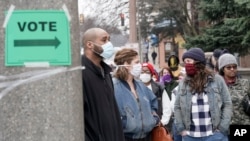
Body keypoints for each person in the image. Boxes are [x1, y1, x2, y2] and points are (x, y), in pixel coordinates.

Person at [174, 48, 232, 141]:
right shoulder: (183, 83)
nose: (186, 65)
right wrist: (181, 129)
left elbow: (227, 103)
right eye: (185, 62)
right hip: (190, 136)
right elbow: (177, 107)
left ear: (198, 62)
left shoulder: (217, 80)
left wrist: (223, 127)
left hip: (215, 135)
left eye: (188, 61)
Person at [81, 28, 125, 141]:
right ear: (90, 44)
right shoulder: (80, 74)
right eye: (104, 40)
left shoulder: (106, 73)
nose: (109, 44)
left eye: (109, 40)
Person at [113, 48, 159, 141]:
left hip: (146, 137)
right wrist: (125, 123)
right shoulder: (113, 87)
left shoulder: (140, 85)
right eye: (137, 62)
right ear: (126, 64)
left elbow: (153, 104)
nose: (140, 65)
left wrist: (153, 119)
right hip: (125, 137)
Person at [218, 54, 250, 125]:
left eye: (234, 67)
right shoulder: (217, 86)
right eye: (228, 67)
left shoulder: (245, 83)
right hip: (223, 128)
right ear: (223, 69)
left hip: (242, 126)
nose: (232, 69)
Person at [139, 63, 172, 132]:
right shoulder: (134, 88)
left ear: (151, 74)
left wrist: (162, 122)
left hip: (157, 126)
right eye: (142, 72)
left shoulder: (159, 88)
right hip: (140, 127)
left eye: (147, 72)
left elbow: (167, 107)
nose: (144, 74)